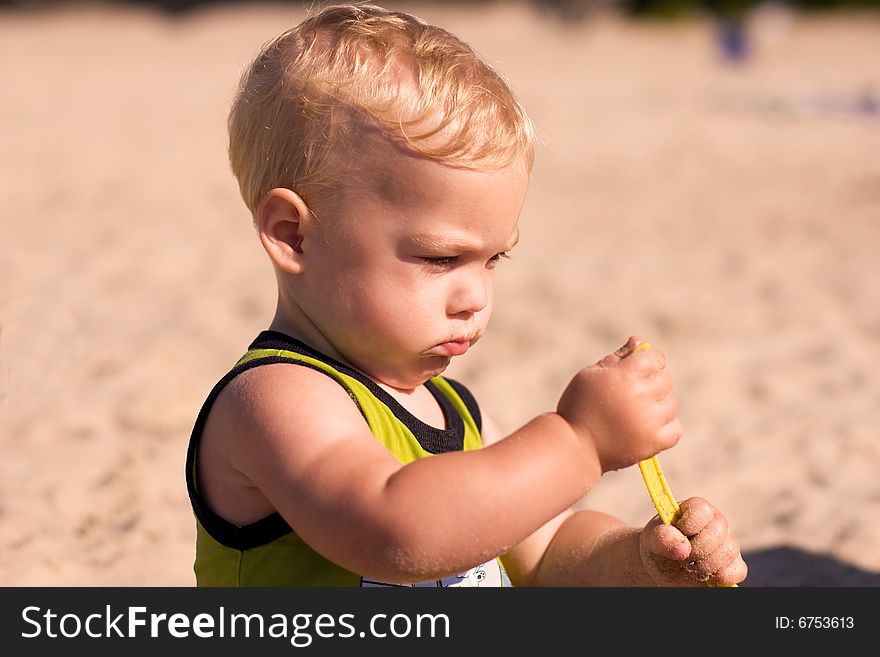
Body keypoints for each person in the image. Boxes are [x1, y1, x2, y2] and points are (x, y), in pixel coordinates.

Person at [185, 2, 748, 587]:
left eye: (493, 259)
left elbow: (547, 549)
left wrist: (643, 561)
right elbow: (394, 531)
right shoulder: (275, 399)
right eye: (441, 258)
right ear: (294, 235)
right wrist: (579, 441)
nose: (476, 295)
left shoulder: (455, 410)